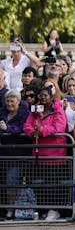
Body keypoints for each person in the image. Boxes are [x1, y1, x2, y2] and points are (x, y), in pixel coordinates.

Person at [23, 86, 67, 220]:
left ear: (51, 96)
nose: (42, 98)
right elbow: (27, 126)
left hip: (55, 154)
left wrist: (41, 130)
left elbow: (59, 127)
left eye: (45, 95)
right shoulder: (35, 109)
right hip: (39, 153)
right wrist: (33, 132)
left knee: (53, 183)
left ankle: (54, 209)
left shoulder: (57, 109)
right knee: (39, 184)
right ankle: (41, 209)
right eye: (40, 95)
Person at [0, 90, 31, 216]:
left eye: (12, 101)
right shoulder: (2, 112)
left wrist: (8, 129)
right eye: (7, 101)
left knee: (12, 180)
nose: (9, 103)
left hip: (17, 154)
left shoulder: (25, 113)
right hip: (3, 152)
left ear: (18, 101)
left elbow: (22, 128)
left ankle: (11, 209)